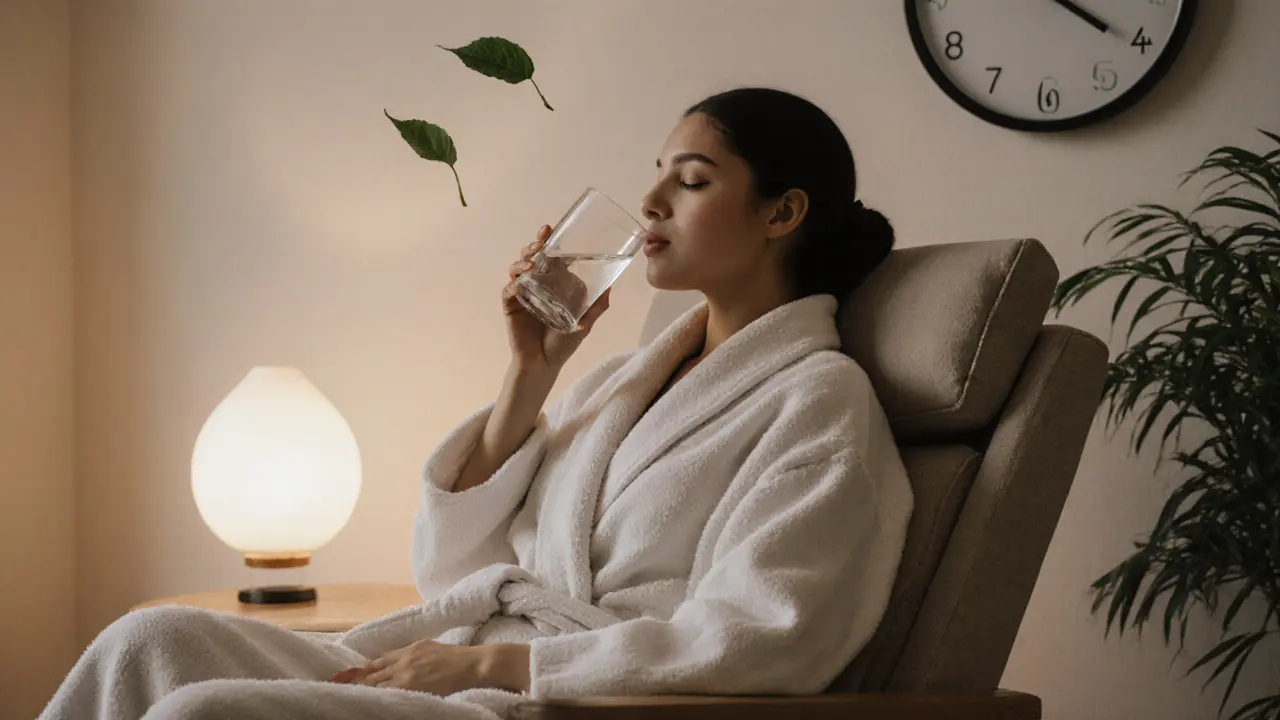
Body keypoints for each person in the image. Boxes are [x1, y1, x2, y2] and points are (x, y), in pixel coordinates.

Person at [40, 86, 914, 720]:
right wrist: (530, 374)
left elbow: (765, 638)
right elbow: (459, 573)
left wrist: (501, 663)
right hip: (485, 671)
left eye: (690, 181)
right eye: (657, 175)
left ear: (781, 212)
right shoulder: (629, 381)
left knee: (207, 716)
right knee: (149, 640)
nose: (649, 201)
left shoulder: (819, 403)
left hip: (580, 706)